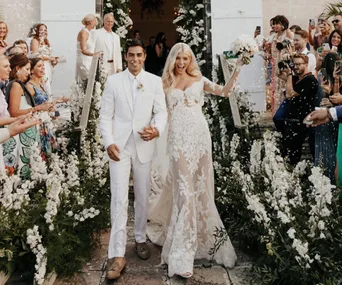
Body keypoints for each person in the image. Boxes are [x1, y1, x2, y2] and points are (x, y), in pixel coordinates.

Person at [148, 43, 244, 279]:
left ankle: (206, 240)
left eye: (185, 58)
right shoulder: (165, 83)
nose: (181, 62)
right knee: (184, 191)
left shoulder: (200, 79)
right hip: (177, 140)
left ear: (190, 60)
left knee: (201, 190)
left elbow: (223, 91)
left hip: (200, 138)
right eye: (178, 58)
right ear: (172, 60)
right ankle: (182, 254)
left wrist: (238, 67)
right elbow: (155, 110)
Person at [99, 38, 167, 280]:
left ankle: (140, 238)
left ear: (144, 57)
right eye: (131, 55)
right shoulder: (113, 81)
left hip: (144, 145)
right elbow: (105, 116)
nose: (135, 59)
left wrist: (156, 129)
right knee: (118, 197)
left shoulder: (154, 82)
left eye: (139, 55)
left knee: (142, 194)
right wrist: (108, 142)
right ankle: (116, 254)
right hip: (119, 146)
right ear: (125, 56)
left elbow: (161, 111)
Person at [4, 54, 52, 178]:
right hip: (23, 134)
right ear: (17, 69)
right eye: (26, 69)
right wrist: (37, 108)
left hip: (28, 132)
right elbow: (14, 111)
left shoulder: (19, 84)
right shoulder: (15, 85)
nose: (29, 72)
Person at [281, 53, 318, 165]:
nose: (295, 67)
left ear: (306, 64)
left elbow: (289, 94)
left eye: (298, 64)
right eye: (294, 64)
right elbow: (282, 79)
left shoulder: (310, 79)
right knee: (288, 153)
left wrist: (288, 76)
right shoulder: (297, 79)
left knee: (293, 155)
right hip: (292, 121)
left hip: (301, 121)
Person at [26, 58, 58, 159]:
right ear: (31, 70)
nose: (43, 68)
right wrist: (41, 108)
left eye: (43, 66)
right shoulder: (29, 86)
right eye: (39, 66)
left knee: (50, 152)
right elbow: (28, 107)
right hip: (38, 123)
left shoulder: (40, 84)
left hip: (46, 121)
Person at [270, 15, 294, 115]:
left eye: (277, 24)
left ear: (283, 24)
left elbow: (292, 48)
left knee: (284, 86)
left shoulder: (288, 33)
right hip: (276, 63)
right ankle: (277, 111)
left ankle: (286, 112)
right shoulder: (274, 36)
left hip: (285, 63)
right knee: (277, 88)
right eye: (274, 24)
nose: (274, 26)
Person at [30, 23, 58, 95]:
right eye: (41, 30)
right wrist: (49, 58)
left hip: (48, 66)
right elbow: (35, 55)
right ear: (37, 31)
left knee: (48, 84)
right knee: (44, 86)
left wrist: (53, 61)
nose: (44, 32)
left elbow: (48, 56)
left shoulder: (46, 42)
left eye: (45, 30)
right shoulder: (35, 41)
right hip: (40, 65)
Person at [76, 14, 99, 82]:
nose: (96, 22)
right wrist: (95, 54)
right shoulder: (84, 33)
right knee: (86, 82)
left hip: (90, 61)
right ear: (90, 22)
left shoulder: (89, 32)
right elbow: (83, 50)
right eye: (94, 20)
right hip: (84, 62)